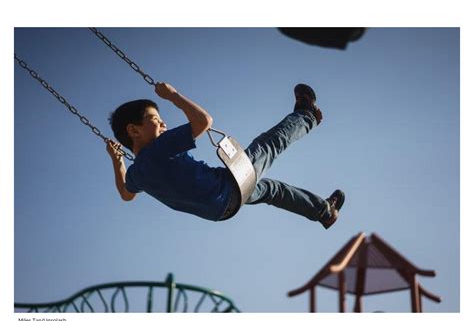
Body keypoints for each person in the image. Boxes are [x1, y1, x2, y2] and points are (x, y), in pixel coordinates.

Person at [106, 82, 345, 228]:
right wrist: (172, 95)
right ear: (133, 130)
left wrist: (117, 162)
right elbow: (203, 121)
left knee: (272, 190)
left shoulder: (137, 173)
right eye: (156, 120)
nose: (163, 124)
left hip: (220, 210)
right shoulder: (159, 148)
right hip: (227, 188)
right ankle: (307, 115)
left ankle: (324, 211)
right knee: (268, 146)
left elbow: (126, 194)